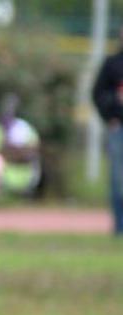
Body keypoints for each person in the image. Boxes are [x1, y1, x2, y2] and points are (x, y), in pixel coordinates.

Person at [91, 27, 123, 237]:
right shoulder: (112, 64)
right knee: (118, 179)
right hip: (118, 128)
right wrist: (111, 113)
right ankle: (120, 226)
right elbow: (97, 93)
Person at [0, 93, 41, 199]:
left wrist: (17, 152)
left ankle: (28, 195)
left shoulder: (23, 127)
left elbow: (32, 148)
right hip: (5, 161)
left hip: (22, 162)